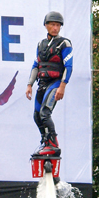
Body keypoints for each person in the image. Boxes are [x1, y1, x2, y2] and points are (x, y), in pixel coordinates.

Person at [25, 11, 72, 157]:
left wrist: (62, 86)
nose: (55, 28)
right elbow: (35, 65)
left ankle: (53, 144)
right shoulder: (41, 44)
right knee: (37, 115)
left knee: (45, 113)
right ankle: (45, 141)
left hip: (56, 82)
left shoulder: (65, 43)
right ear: (46, 25)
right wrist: (29, 84)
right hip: (42, 83)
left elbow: (69, 66)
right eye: (52, 25)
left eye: (58, 25)